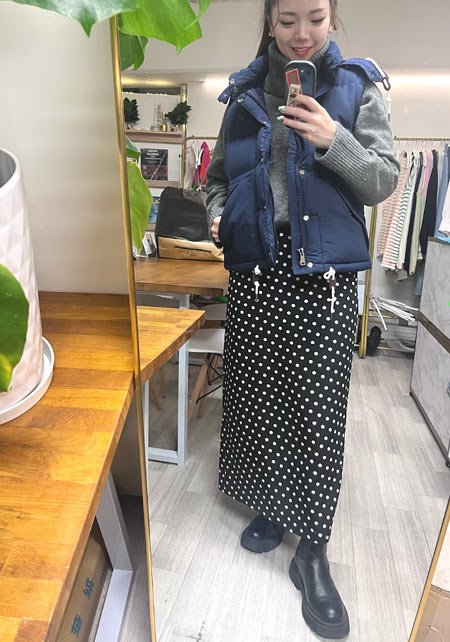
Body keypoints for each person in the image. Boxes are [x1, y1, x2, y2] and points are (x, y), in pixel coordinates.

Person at [206, 0, 399, 638]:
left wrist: (333, 140)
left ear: (333, 17)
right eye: (287, 19)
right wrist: (218, 214)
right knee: (259, 401)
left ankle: (312, 549)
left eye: (315, 17)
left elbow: (383, 179)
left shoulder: (358, 86)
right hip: (257, 275)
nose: (301, 34)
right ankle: (271, 504)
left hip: (325, 283)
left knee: (317, 415)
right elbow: (216, 179)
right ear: (269, 20)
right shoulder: (242, 94)